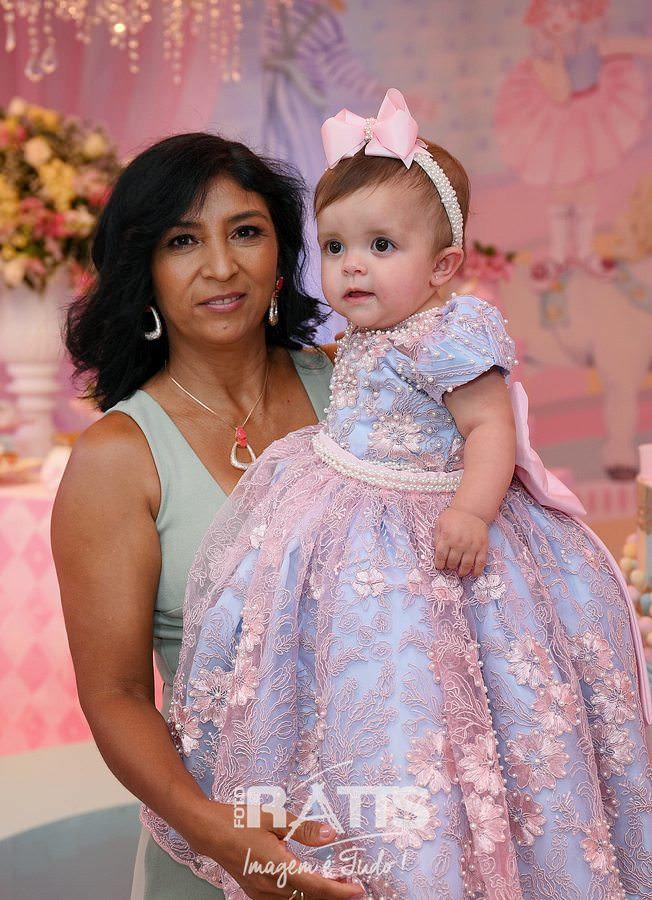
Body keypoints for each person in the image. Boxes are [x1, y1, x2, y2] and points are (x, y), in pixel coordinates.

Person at [143, 92, 652, 898]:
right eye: (336, 246)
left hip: (426, 520)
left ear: (443, 265)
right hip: (350, 507)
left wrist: (471, 510)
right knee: (362, 677)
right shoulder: (365, 337)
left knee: (448, 678)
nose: (353, 266)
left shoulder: (451, 331)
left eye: (381, 245)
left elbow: (491, 429)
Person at [51, 132, 369, 900]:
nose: (222, 266)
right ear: (144, 271)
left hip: (390, 820)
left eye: (246, 231)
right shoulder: (118, 457)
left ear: (282, 254)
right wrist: (221, 837)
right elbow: (116, 694)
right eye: (183, 241)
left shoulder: (361, 387)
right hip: (220, 845)